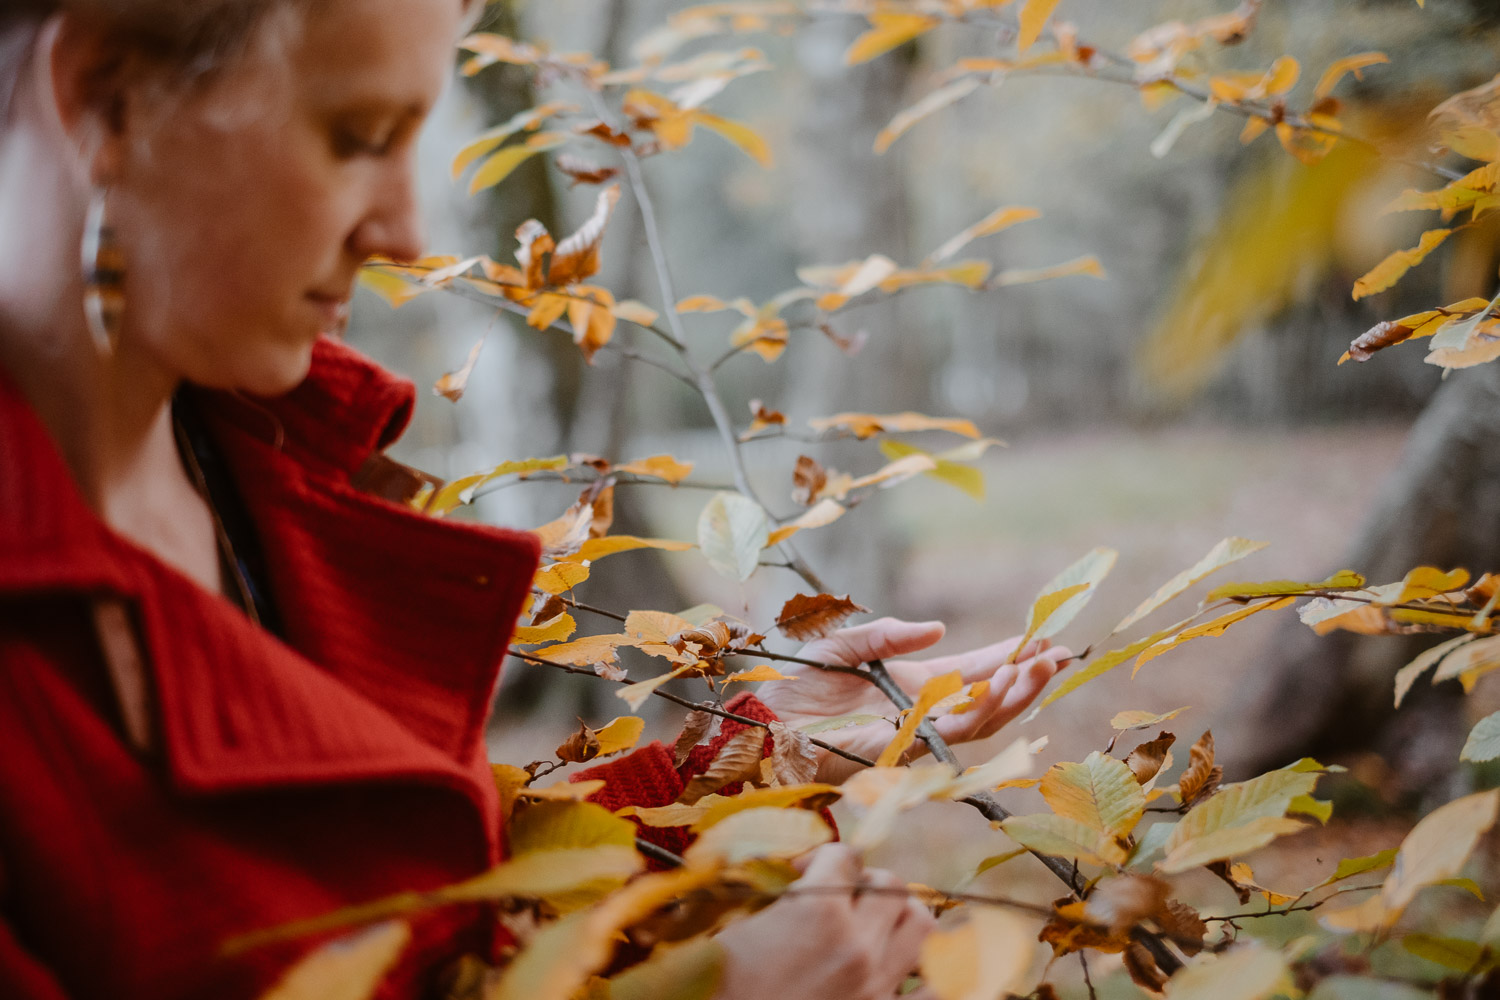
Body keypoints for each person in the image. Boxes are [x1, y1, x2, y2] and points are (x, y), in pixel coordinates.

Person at [0, 2, 1073, 998]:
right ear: (108, 99)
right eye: (359, 136)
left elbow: (451, 900)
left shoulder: (258, 468)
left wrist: (768, 749)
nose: (406, 232)